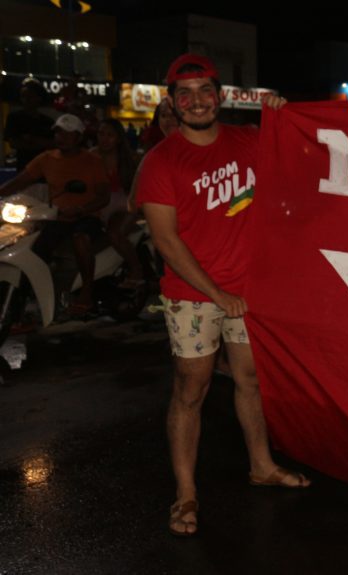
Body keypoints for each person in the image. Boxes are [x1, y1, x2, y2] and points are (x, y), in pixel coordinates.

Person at [136, 54, 309, 538]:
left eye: (204, 91)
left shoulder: (248, 140)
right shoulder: (160, 161)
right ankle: (186, 493)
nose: (196, 102)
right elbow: (166, 241)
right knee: (191, 390)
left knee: (250, 380)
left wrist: (284, 116)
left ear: (219, 96)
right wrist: (216, 292)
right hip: (193, 294)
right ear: (173, 103)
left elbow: (301, 158)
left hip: (248, 291)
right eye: (185, 94)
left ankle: (262, 465)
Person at [0, 113, 110, 316]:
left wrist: (81, 209)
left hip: (86, 216)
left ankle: (87, 292)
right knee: (33, 248)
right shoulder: (46, 158)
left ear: (79, 137)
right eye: (58, 133)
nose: (61, 138)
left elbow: (104, 196)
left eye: (67, 134)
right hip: (56, 217)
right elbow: (20, 181)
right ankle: (25, 300)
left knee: (81, 239)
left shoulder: (93, 161)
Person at [92, 119, 147, 287]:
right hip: (97, 205)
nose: (105, 139)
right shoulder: (90, 156)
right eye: (101, 134)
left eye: (110, 135)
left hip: (124, 204)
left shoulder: (130, 158)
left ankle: (137, 270)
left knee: (114, 234)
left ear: (118, 138)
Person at [4, 78, 55, 172]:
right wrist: (39, 143)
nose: (26, 100)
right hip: (24, 168)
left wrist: (31, 140)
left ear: (39, 98)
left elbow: (54, 143)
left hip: (45, 169)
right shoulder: (14, 118)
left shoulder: (48, 121)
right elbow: (13, 142)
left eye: (30, 96)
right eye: (23, 96)